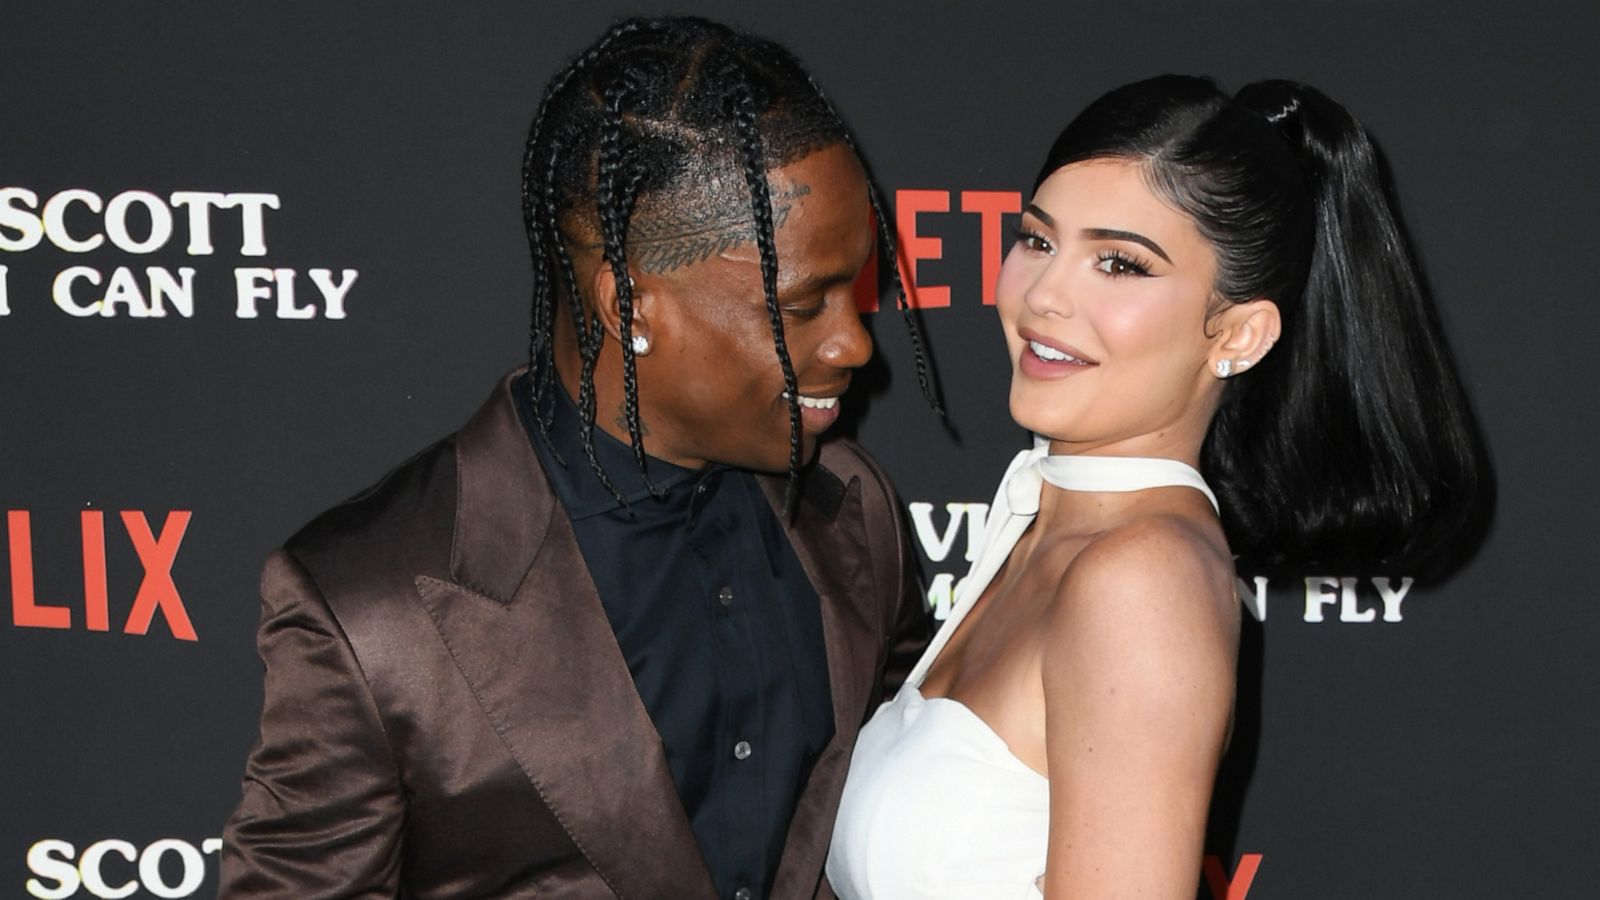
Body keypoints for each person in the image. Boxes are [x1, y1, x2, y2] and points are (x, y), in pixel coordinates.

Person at [220, 16, 935, 900]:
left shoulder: (852, 507)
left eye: (858, 290)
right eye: (802, 306)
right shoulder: (373, 608)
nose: (855, 345)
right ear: (629, 304)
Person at [826, 75, 1483, 898]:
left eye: (1120, 263)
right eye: (1037, 240)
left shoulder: (1141, 580)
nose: (1045, 296)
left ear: (1239, 333)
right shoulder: (1037, 522)